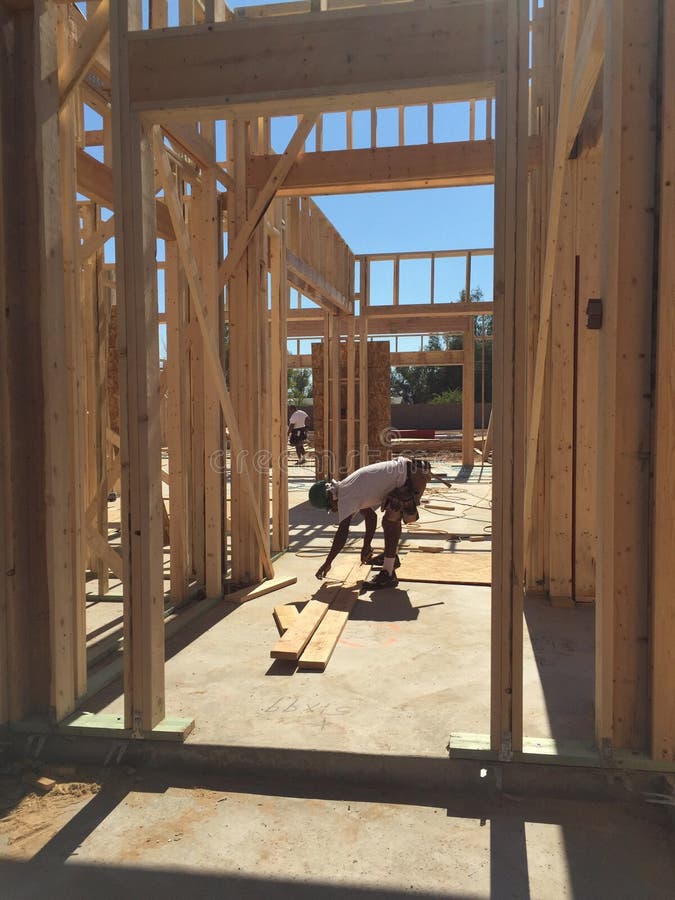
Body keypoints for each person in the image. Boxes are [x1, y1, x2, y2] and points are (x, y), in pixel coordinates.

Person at [308, 456, 432, 589]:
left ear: (330, 499)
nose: (334, 510)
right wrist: (366, 545)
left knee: (390, 522)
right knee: (391, 519)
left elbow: (342, 534)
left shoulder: (345, 497)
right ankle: (390, 561)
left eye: (331, 507)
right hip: (412, 471)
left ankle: (388, 574)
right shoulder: (348, 487)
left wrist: (328, 562)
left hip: (412, 477)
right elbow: (371, 516)